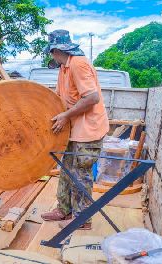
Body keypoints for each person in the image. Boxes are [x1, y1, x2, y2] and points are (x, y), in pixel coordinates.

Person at [41, 30, 109, 230]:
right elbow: (59, 99)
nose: (51, 56)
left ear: (55, 50)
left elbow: (91, 98)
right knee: (67, 170)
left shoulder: (78, 64)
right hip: (74, 128)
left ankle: (82, 219)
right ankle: (64, 209)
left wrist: (65, 116)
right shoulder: (64, 68)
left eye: (51, 52)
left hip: (88, 130)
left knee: (81, 173)